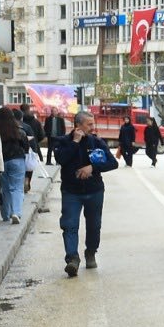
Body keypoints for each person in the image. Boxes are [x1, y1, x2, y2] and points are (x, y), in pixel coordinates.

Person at [54, 112, 113, 277]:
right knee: (69, 225)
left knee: (94, 225)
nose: (92, 128)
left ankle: (91, 252)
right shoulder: (63, 142)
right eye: (89, 124)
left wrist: (92, 168)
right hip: (71, 192)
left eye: (93, 124)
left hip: (94, 191)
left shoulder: (96, 142)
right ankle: (72, 259)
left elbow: (112, 162)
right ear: (78, 125)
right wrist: (75, 143)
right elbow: (61, 160)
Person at [0, 107, 29, 226]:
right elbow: (26, 146)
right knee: (17, 187)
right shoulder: (19, 130)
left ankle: (6, 213)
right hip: (17, 160)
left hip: (2, 161)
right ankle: (16, 212)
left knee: (5, 188)